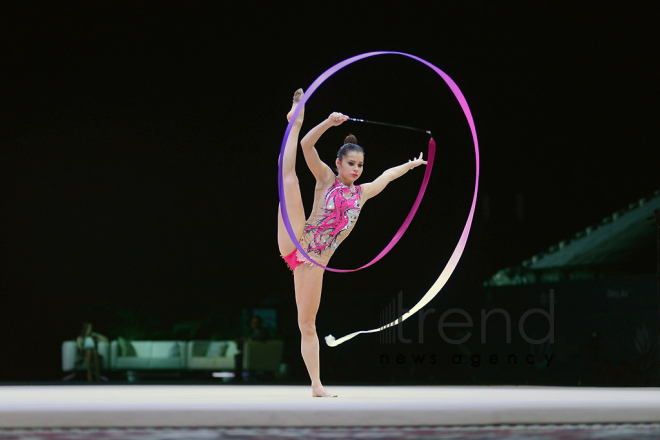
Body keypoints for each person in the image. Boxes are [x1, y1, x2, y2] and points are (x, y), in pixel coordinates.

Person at [277, 89, 427, 397]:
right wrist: (327, 124)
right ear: (339, 163)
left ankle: (316, 385)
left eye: (360, 165)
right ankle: (296, 118)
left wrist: (410, 166)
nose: (356, 170)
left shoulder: (362, 194)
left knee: (307, 325)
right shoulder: (326, 180)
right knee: (288, 176)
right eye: (351, 164)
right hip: (298, 239)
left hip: (313, 263)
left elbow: (386, 176)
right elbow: (308, 146)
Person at [233, 316, 270, 382]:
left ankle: (238, 378)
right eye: (253, 323)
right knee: (239, 355)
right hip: (250, 353)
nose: (254, 324)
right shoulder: (252, 333)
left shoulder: (263, 332)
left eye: (256, 323)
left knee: (239, 357)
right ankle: (238, 377)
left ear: (260, 323)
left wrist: (249, 339)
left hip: (259, 354)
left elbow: (261, 339)